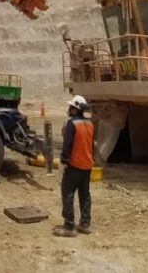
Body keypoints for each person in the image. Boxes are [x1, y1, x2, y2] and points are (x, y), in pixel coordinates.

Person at [52, 95, 94, 237]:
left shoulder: (72, 124)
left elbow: (67, 146)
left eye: (71, 107)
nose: (69, 109)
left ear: (76, 109)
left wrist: (63, 162)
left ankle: (69, 226)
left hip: (74, 165)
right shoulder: (90, 124)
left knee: (68, 193)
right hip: (87, 166)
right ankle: (85, 224)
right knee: (85, 195)